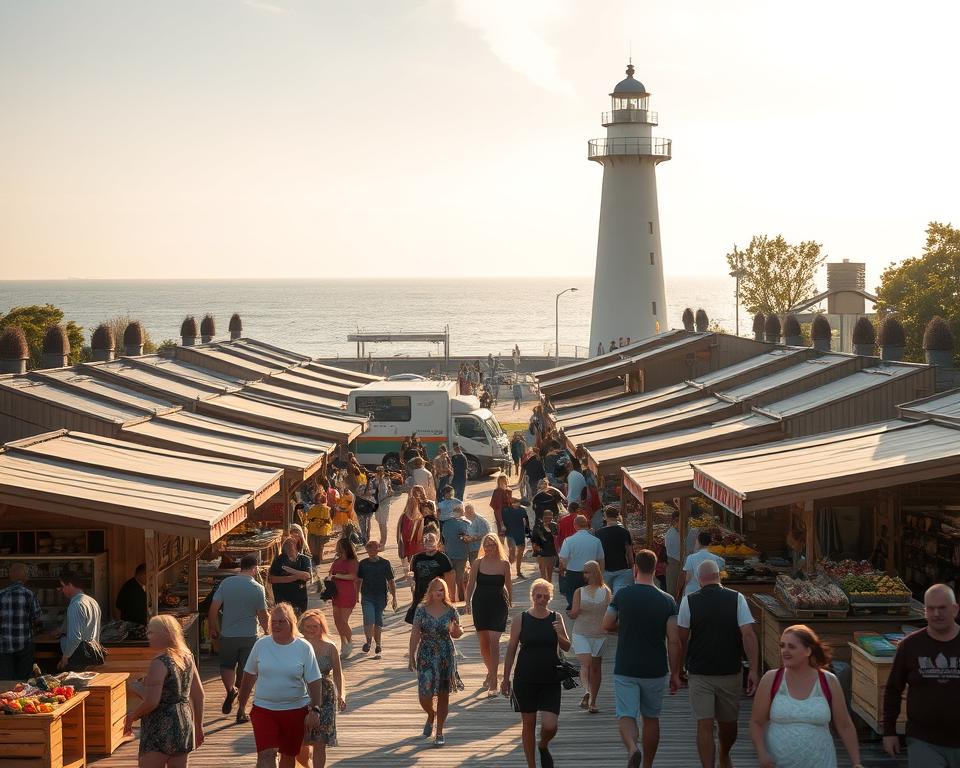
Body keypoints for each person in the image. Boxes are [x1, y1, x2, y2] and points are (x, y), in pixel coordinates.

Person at [601, 549, 681, 768]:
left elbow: (606, 624)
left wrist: (624, 628)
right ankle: (647, 764)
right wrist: (675, 673)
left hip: (627, 665)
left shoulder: (622, 595)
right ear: (655, 570)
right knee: (651, 718)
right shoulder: (667, 600)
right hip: (655, 668)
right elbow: (674, 640)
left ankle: (632, 747)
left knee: (626, 714)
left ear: (635, 568)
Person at [677, 560, 760, 768]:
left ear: (698, 579)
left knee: (710, 725)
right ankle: (722, 755)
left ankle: (722, 753)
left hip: (699, 670)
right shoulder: (737, 599)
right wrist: (754, 669)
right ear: (719, 576)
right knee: (723, 724)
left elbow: (682, 639)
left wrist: (679, 669)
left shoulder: (689, 602)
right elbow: (748, 635)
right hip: (729, 670)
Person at [750, 625, 862, 768]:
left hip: (821, 762)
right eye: (782, 646)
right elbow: (756, 722)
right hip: (779, 763)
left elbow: (845, 725)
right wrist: (762, 753)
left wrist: (856, 762)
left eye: (792, 647)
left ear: (808, 651)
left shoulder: (829, 681)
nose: (785, 651)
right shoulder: (771, 679)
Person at [237, 603, 325, 768]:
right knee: (266, 754)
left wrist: (315, 709)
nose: (276, 625)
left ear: (291, 622)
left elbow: (314, 679)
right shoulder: (261, 645)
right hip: (264, 709)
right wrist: (241, 704)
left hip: (295, 710)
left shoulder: (303, 647)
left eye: (281, 622)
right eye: (274, 621)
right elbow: (249, 675)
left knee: (288, 756)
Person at [883, 583, 960, 766]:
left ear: (955, 609)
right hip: (923, 740)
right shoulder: (910, 646)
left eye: (942, 608)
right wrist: (889, 732)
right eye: (930, 608)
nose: (936, 614)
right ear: (924, 610)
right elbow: (893, 689)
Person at [502, 578, 571, 768]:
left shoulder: (556, 617)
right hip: (525, 678)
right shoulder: (521, 618)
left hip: (550, 679)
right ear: (532, 596)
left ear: (550, 598)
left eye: (545, 596)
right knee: (529, 724)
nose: (541, 599)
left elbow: (567, 646)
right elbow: (511, 649)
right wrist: (505, 678)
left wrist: (559, 633)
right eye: (537, 595)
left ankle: (543, 744)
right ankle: (532, 765)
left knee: (550, 726)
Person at [124, 614, 204, 768]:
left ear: (166, 634)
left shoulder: (159, 662)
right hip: (183, 723)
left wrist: (132, 716)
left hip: (160, 726)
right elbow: (198, 694)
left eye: (151, 632)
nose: (148, 636)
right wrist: (198, 726)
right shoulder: (187, 656)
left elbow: (152, 702)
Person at [208, 554, 269, 719]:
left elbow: (213, 609)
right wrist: (269, 631)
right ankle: (241, 709)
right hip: (250, 635)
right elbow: (262, 614)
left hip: (228, 635)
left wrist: (213, 627)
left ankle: (230, 690)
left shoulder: (226, 583)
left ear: (240, 567)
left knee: (227, 666)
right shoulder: (257, 588)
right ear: (255, 569)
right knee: (248, 672)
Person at [408, 577, 463, 747]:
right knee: (424, 695)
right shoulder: (421, 610)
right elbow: (415, 632)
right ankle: (431, 714)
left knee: (443, 695)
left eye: (442, 590)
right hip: (426, 653)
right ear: (431, 591)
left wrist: (457, 631)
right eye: (437, 589)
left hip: (446, 654)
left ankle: (439, 731)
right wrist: (411, 655)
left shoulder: (451, 610)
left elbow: (457, 632)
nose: (439, 592)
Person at [297, 609, 346, 768]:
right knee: (301, 743)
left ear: (321, 627)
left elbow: (338, 674)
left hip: (326, 695)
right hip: (301, 693)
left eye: (315, 626)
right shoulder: (296, 646)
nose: (311, 630)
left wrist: (342, 695)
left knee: (320, 741)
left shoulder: (330, 647)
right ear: (301, 628)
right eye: (307, 627)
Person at [466, 534, 512, 695]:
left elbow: (509, 585)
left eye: (492, 544)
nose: (489, 547)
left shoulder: (504, 564)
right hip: (480, 604)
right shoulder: (477, 563)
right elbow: (471, 583)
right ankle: (491, 672)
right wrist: (467, 602)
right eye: (487, 544)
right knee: (484, 644)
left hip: (499, 605)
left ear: (497, 545)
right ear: (483, 546)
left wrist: (510, 603)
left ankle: (493, 682)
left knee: (494, 643)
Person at [570, 560, 611, 713]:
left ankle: (591, 698)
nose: (584, 575)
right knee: (588, 664)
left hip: (597, 633)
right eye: (584, 572)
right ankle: (589, 694)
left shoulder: (603, 591)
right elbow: (574, 613)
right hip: (583, 632)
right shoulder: (583, 591)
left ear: (595, 572)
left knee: (592, 667)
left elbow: (574, 614)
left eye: (587, 572)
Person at [356, 541, 398, 659]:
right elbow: (359, 580)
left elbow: (391, 581)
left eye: (375, 549)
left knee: (378, 620)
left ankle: (378, 644)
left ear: (379, 549)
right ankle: (368, 642)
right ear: (367, 550)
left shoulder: (385, 563)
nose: (372, 552)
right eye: (370, 550)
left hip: (381, 596)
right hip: (367, 595)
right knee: (369, 619)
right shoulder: (363, 563)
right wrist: (356, 595)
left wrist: (394, 597)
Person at [0, 562, 41, 680]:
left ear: (11, 577)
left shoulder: (1, 594)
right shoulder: (29, 594)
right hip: (24, 644)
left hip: (4, 645)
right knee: (23, 680)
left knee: (5, 679)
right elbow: (37, 617)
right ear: (24, 576)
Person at [58, 570, 103, 671]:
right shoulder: (92, 602)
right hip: (92, 653)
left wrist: (65, 658)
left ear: (69, 585)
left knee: (74, 686)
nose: (62, 590)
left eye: (62, 586)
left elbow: (75, 638)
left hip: (78, 657)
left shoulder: (76, 604)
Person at [405, 532, 455, 624]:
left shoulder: (443, 558)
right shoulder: (417, 558)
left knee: (435, 624)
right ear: (423, 543)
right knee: (418, 624)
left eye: (432, 540)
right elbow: (413, 577)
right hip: (420, 596)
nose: (429, 542)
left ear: (437, 542)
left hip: (437, 596)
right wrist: (411, 583)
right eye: (427, 540)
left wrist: (450, 598)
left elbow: (450, 579)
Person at [558, 515, 604, 612]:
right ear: (587, 524)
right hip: (591, 572)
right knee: (590, 593)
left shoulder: (568, 541)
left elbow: (563, 559)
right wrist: (601, 574)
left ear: (575, 525)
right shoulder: (596, 541)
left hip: (573, 572)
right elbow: (601, 559)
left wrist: (562, 571)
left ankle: (574, 607)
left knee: (572, 593)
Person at [328, 537, 359, 659]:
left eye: (340, 546)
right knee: (337, 621)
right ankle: (343, 643)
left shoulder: (353, 561)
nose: (338, 548)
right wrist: (330, 578)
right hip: (335, 593)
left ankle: (350, 642)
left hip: (348, 593)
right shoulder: (337, 561)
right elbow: (331, 573)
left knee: (343, 620)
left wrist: (338, 576)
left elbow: (353, 576)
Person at [596, 507, 636, 595]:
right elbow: (629, 551)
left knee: (606, 596)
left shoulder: (599, 533)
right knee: (620, 595)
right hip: (622, 567)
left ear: (605, 517)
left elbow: (597, 553)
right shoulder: (625, 532)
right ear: (617, 516)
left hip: (605, 569)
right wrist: (632, 566)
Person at [269, 538, 314, 616]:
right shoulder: (278, 560)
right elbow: (272, 579)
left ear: (296, 546)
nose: (287, 546)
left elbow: (307, 576)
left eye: (291, 544)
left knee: (297, 623)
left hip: (299, 600)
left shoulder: (304, 559)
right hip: (282, 598)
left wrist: (291, 571)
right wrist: (296, 577)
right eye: (286, 544)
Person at [678, 530, 726, 599]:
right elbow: (722, 572)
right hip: (711, 595)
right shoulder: (718, 559)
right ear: (709, 543)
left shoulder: (691, 558)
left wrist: (682, 591)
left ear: (698, 542)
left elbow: (688, 578)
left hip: (692, 593)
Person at [440, 505, 470, 602]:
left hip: (449, 554)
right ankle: (462, 601)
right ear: (462, 513)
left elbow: (444, 536)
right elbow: (468, 538)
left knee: (449, 580)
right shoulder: (465, 523)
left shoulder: (446, 524)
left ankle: (450, 600)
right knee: (459, 580)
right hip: (462, 554)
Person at [502, 494, 531, 579]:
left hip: (520, 533)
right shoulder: (506, 510)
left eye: (518, 502)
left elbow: (526, 522)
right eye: (515, 502)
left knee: (520, 553)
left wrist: (527, 532)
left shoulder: (522, 510)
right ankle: (507, 571)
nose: (517, 504)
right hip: (510, 534)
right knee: (512, 553)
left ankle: (518, 571)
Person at [397, 486, 426, 569]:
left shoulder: (426, 503)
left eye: (419, 492)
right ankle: (413, 567)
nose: (417, 494)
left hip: (418, 527)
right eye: (415, 492)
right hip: (409, 527)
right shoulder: (411, 501)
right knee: (410, 549)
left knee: (417, 549)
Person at [530, 507, 559, 583]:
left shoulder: (554, 526)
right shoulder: (538, 527)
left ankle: (549, 588)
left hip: (551, 552)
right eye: (547, 517)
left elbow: (557, 537)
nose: (549, 518)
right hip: (541, 553)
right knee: (543, 573)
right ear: (543, 517)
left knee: (550, 573)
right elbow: (534, 539)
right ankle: (544, 588)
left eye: (550, 516)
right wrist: (536, 549)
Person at [304, 493, 334, 565]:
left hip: (313, 529)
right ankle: (319, 559)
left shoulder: (311, 509)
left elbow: (308, 518)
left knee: (314, 545)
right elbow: (329, 520)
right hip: (323, 530)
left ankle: (316, 558)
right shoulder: (328, 509)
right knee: (321, 546)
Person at [370, 466, 393, 548]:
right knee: (380, 523)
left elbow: (389, 492)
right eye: (378, 471)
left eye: (381, 471)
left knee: (383, 523)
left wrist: (389, 493)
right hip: (377, 504)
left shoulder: (386, 480)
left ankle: (383, 543)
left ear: (383, 471)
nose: (379, 472)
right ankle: (381, 541)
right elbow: (372, 492)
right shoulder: (374, 480)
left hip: (384, 504)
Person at [664, 510, 682, 596]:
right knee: (673, 588)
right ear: (675, 520)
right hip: (674, 562)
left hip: (678, 561)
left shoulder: (678, 531)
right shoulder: (671, 533)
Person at [489, 474, 512, 542]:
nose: (503, 483)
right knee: (502, 534)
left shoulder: (508, 491)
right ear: (498, 483)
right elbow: (497, 507)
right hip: (500, 514)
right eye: (501, 482)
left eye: (504, 481)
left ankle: (508, 550)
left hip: (508, 514)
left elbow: (510, 503)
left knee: (509, 534)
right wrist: (501, 522)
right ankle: (501, 550)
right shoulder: (498, 492)